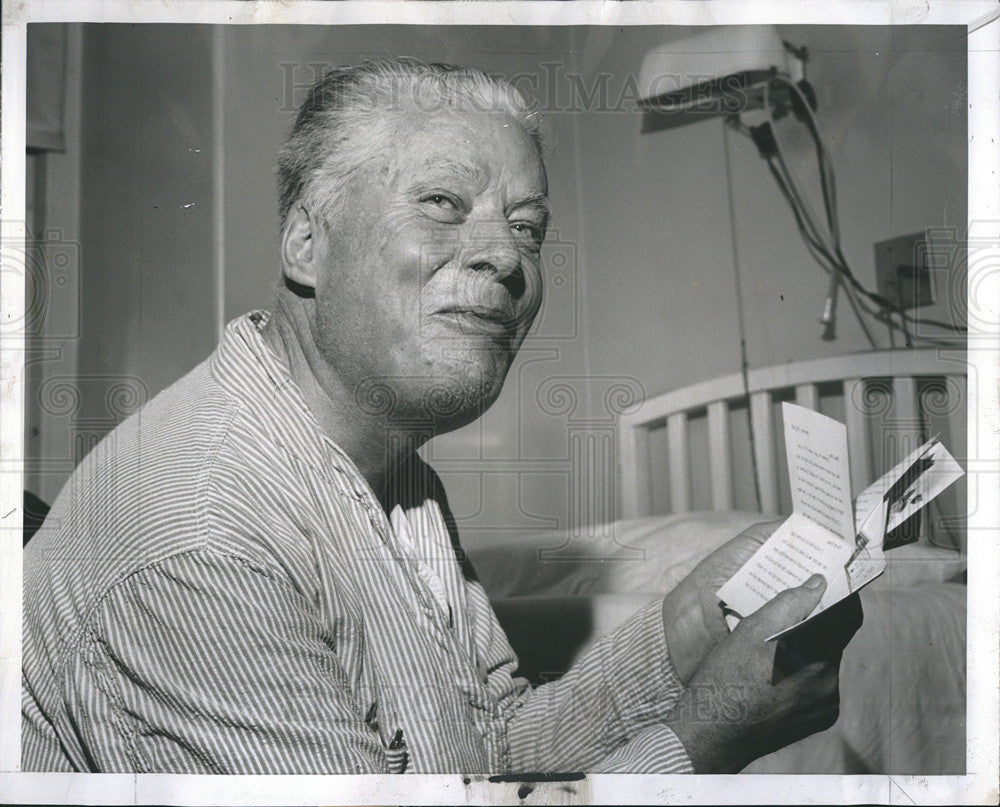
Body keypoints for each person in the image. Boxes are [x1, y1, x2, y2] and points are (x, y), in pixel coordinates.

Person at [22, 58, 860, 775]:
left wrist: (687, 625)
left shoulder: (390, 468)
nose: (507, 257)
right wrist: (703, 738)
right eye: (443, 203)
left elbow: (489, 751)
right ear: (305, 245)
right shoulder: (200, 536)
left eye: (528, 227)